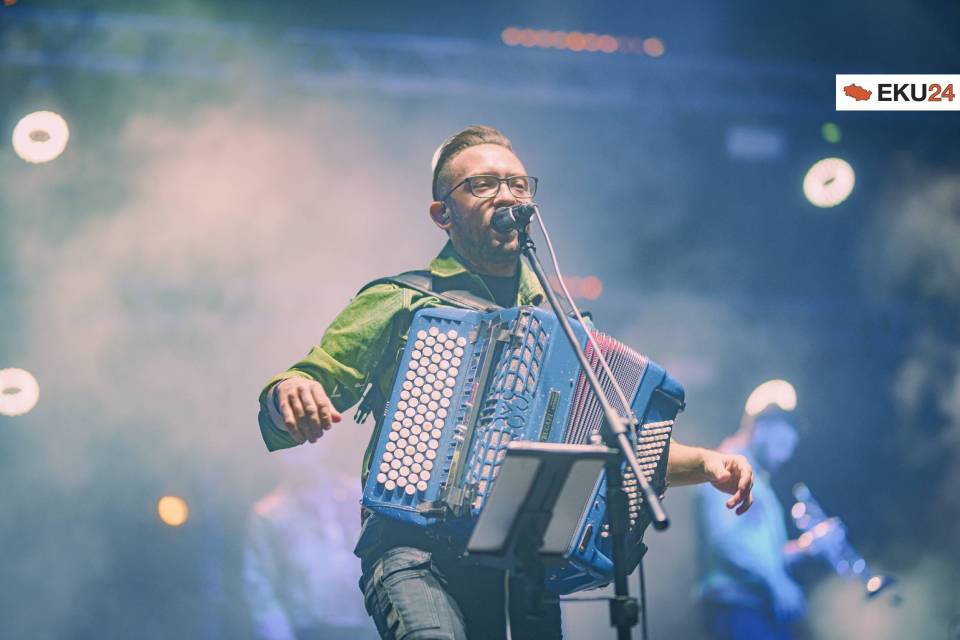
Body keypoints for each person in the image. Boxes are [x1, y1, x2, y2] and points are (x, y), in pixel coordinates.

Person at [257, 125, 755, 639]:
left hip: (522, 566)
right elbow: (306, 381)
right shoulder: (403, 299)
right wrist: (289, 392)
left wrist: (706, 462)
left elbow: (618, 449)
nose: (508, 196)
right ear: (442, 214)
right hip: (414, 552)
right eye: (483, 185)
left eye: (518, 185)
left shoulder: (562, 325)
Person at [694, 404, 826, 640]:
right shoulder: (725, 469)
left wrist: (805, 548)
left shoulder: (757, 482)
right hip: (738, 609)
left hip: (755, 610)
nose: (786, 456)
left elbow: (763, 552)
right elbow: (726, 539)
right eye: (782, 444)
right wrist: (778, 584)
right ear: (761, 428)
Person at [244, 445, 380, 640]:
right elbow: (261, 589)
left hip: (368, 627)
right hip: (308, 630)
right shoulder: (270, 514)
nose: (295, 452)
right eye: (288, 445)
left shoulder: (361, 496)